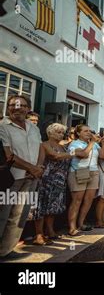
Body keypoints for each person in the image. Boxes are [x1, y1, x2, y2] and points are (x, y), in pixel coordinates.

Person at [0, 95, 43, 260]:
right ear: (8, 107)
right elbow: (8, 155)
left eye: (22, 105)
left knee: (20, 215)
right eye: (13, 105)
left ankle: (6, 250)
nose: (17, 108)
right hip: (11, 178)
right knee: (3, 214)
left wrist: (38, 168)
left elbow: (40, 148)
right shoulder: (3, 126)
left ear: (27, 108)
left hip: (31, 177)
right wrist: (32, 168)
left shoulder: (34, 128)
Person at [32, 123, 73, 245]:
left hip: (60, 182)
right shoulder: (44, 144)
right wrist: (73, 153)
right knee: (41, 207)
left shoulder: (64, 148)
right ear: (50, 133)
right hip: (46, 180)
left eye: (62, 132)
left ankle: (50, 230)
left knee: (53, 208)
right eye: (58, 132)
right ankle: (39, 235)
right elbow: (54, 156)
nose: (61, 134)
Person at [67, 124, 101, 236]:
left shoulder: (95, 144)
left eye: (90, 131)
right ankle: (72, 228)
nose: (89, 133)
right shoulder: (74, 144)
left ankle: (81, 223)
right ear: (78, 133)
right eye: (86, 131)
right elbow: (84, 154)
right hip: (79, 171)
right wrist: (92, 142)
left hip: (94, 171)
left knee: (88, 200)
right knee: (77, 200)